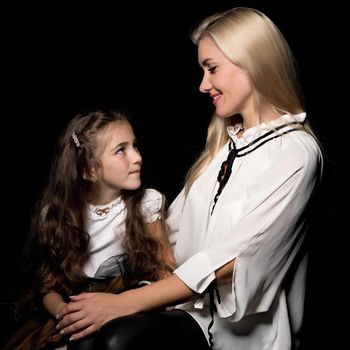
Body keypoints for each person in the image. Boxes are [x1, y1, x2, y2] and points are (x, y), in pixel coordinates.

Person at [41, 7, 323, 350]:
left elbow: (236, 259)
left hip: (241, 336)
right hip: (189, 313)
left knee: (116, 339)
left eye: (212, 69)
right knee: (87, 337)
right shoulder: (223, 149)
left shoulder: (295, 153)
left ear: (253, 63)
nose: (203, 85)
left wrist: (124, 304)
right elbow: (168, 235)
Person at [3, 109, 175, 350]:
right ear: (89, 171)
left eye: (134, 146)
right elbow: (48, 287)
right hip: (76, 306)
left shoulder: (146, 203)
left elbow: (165, 270)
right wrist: (65, 312)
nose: (137, 157)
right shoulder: (59, 214)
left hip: (126, 301)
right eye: (121, 150)